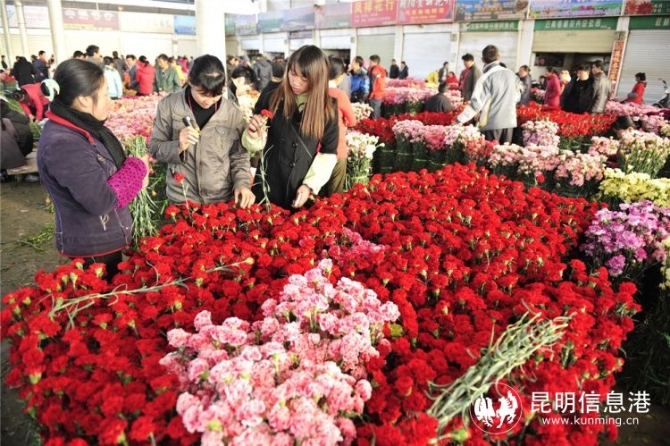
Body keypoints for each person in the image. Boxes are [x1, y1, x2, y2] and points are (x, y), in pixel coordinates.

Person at [37, 59, 150, 277]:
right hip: (94, 245)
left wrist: (135, 175)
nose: (110, 101)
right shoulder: (64, 143)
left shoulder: (81, 126)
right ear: (84, 100)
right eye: (106, 94)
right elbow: (101, 200)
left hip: (103, 237)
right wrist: (137, 170)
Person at [242, 45, 339, 210]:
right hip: (268, 181)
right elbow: (253, 145)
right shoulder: (272, 94)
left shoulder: (327, 107)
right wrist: (252, 135)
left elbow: (328, 153)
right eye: (292, 73)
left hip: (300, 185)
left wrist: (309, 185)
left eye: (304, 78)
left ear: (318, 79)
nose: (295, 82)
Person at [149, 55, 253, 207]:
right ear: (190, 81)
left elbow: (239, 155)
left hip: (221, 198)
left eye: (216, 95)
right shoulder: (169, 105)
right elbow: (154, 148)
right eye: (203, 94)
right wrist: (178, 146)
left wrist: (242, 183)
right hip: (183, 197)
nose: (208, 101)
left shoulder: (232, 112)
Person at [456, 45, 520, 145]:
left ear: (482, 59)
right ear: (499, 57)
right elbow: (517, 97)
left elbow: (475, 105)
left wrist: (458, 120)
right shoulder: (512, 75)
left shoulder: (485, 77)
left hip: (491, 124)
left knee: (490, 153)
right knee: (503, 153)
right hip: (509, 122)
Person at [324, 57, 357, 196]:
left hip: (315, 149)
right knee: (335, 194)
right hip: (337, 148)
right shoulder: (340, 95)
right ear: (340, 77)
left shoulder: (314, 93)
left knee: (317, 192)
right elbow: (352, 121)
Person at [368, 54, 387, 119]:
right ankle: (378, 123)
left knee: (374, 113)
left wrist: (370, 95)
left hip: (374, 94)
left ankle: (374, 124)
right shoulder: (380, 69)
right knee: (377, 111)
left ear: (375, 62)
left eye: (370, 61)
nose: (369, 63)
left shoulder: (374, 71)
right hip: (379, 94)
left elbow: (372, 84)